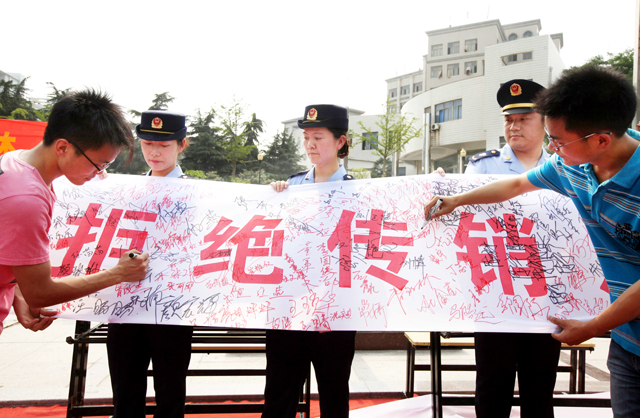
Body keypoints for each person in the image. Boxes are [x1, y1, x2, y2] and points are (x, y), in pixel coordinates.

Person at [424, 65, 640, 417]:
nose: (552, 149)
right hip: (627, 342)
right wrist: (457, 199)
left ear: (601, 140)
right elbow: (516, 185)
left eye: (559, 141)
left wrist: (593, 326)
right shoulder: (571, 165)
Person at [0, 89, 149, 335]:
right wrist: (119, 273)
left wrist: (16, 290)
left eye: (106, 165)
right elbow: (40, 293)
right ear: (62, 147)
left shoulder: (16, 161)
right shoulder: (26, 200)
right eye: (97, 164)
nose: (99, 173)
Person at [466, 79, 560, 418]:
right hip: (496, 295)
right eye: (509, 120)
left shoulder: (564, 167)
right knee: (492, 388)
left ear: (544, 120)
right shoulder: (482, 167)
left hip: (546, 296)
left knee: (540, 391)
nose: (514, 126)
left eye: (524, 119)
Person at [263, 104, 356, 418]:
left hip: (334, 314)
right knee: (279, 395)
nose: (310, 145)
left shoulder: (358, 191)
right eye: (306, 138)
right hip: (289, 311)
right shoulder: (290, 188)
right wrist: (273, 197)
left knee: (334, 396)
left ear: (340, 141)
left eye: (318, 137)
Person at [107, 110, 194, 418]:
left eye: (164, 145)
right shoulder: (124, 189)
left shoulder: (197, 193)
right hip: (125, 303)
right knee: (125, 390)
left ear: (182, 145)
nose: (154, 152)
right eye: (147, 144)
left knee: (170, 391)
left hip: (171, 307)